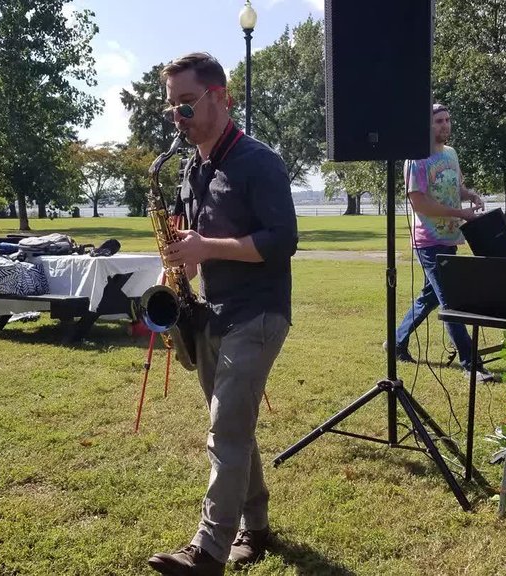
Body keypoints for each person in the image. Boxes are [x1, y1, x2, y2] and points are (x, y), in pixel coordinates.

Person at [147, 52, 298, 576]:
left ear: (220, 96)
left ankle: (207, 551)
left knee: (225, 430)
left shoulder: (259, 162)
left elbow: (283, 243)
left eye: (186, 104)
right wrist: (179, 265)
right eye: (171, 107)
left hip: (258, 312)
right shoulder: (192, 169)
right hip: (209, 311)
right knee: (233, 425)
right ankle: (254, 527)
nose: (177, 117)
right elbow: (190, 240)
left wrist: (205, 246)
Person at [393, 103, 493, 381]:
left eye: (448, 120)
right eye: (438, 121)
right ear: (426, 126)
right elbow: (420, 202)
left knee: (430, 297)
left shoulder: (451, 154)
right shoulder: (416, 159)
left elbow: (452, 187)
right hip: (429, 241)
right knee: (451, 300)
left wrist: (469, 194)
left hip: (451, 237)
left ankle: (396, 342)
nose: (445, 125)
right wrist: (459, 213)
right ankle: (471, 364)